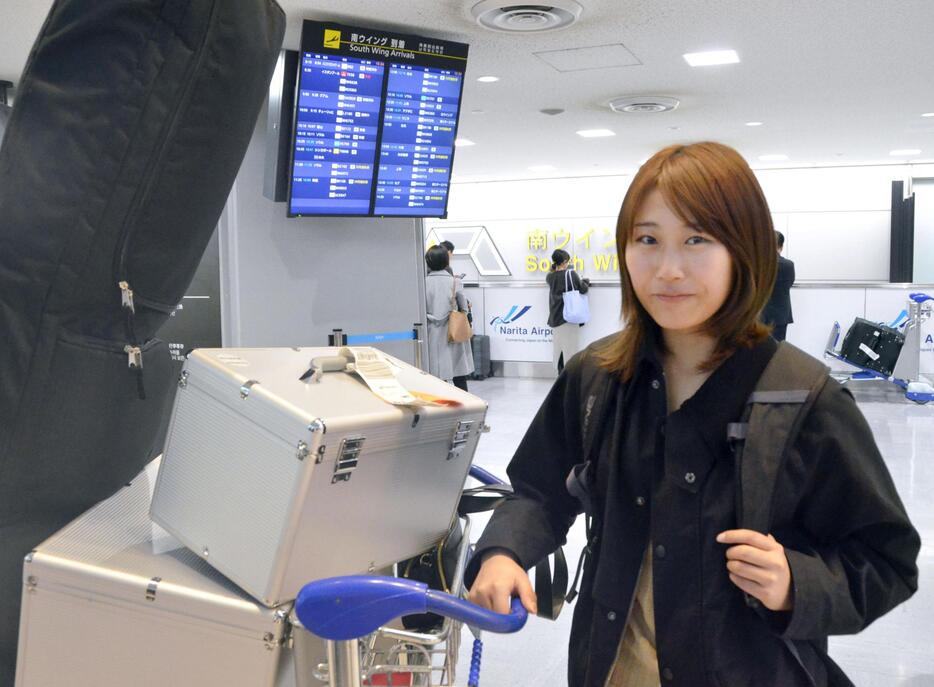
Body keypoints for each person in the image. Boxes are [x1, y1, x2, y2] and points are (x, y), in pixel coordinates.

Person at [466, 142, 919, 687]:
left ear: (743, 249)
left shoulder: (802, 399)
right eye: (648, 240)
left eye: (697, 239)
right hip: (612, 669)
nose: (668, 269)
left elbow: (886, 560)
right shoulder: (598, 376)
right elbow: (538, 489)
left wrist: (796, 582)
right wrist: (503, 552)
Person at [425, 245, 473, 390]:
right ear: (446, 261)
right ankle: (463, 405)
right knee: (458, 374)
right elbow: (464, 308)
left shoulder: (422, 282)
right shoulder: (455, 282)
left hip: (430, 332)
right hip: (452, 332)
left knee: (434, 372)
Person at [546, 248, 590, 374]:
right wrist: (585, 281)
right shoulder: (571, 274)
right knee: (570, 349)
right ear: (564, 261)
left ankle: (561, 375)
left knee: (559, 349)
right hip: (569, 317)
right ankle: (569, 376)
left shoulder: (549, 277)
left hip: (555, 318)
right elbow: (583, 289)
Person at [761, 230, 795, 341]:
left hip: (760, 314)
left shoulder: (757, 264)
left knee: (759, 349)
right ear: (781, 246)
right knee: (778, 349)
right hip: (781, 315)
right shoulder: (788, 265)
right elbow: (789, 283)